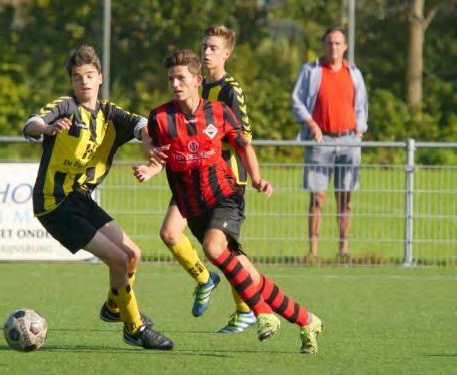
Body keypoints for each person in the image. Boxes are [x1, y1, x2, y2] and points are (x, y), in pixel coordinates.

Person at [135, 49, 323, 354]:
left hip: (225, 194)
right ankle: (307, 320)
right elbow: (158, 155)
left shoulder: (219, 112)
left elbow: (243, 146)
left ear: (197, 80)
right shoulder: (160, 117)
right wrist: (149, 168)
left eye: (181, 78)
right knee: (249, 275)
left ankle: (262, 314)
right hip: (192, 207)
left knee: (213, 248)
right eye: (171, 78)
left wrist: (258, 177)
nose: (175, 83)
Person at [22, 44, 173, 350]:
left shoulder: (110, 114)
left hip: (81, 199)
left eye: (90, 75)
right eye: (78, 77)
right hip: (55, 204)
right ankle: (135, 328)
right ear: (72, 83)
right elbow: (30, 124)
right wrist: (48, 128)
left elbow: (142, 123)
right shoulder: (65, 107)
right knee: (117, 259)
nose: (84, 82)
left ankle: (114, 307)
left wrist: (147, 142)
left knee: (133, 255)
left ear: (100, 77)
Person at [154, 25, 256, 334]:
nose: (207, 52)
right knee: (170, 233)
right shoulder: (195, 86)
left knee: (223, 249)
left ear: (227, 53)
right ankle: (204, 278)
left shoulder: (230, 89)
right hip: (191, 174)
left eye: (213, 47)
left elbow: (244, 137)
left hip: (223, 177)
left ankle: (247, 307)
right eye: (204, 46)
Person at [292, 26, 368, 259]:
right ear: (324, 45)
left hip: (348, 140)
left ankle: (343, 250)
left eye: (338, 43)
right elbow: (297, 101)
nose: (333, 47)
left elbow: (362, 106)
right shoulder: (311, 71)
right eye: (329, 43)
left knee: (345, 197)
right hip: (319, 140)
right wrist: (311, 124)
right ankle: (313, 252)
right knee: (317, 198)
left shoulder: (354, 72)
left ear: (345, 47)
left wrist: (359, 131)